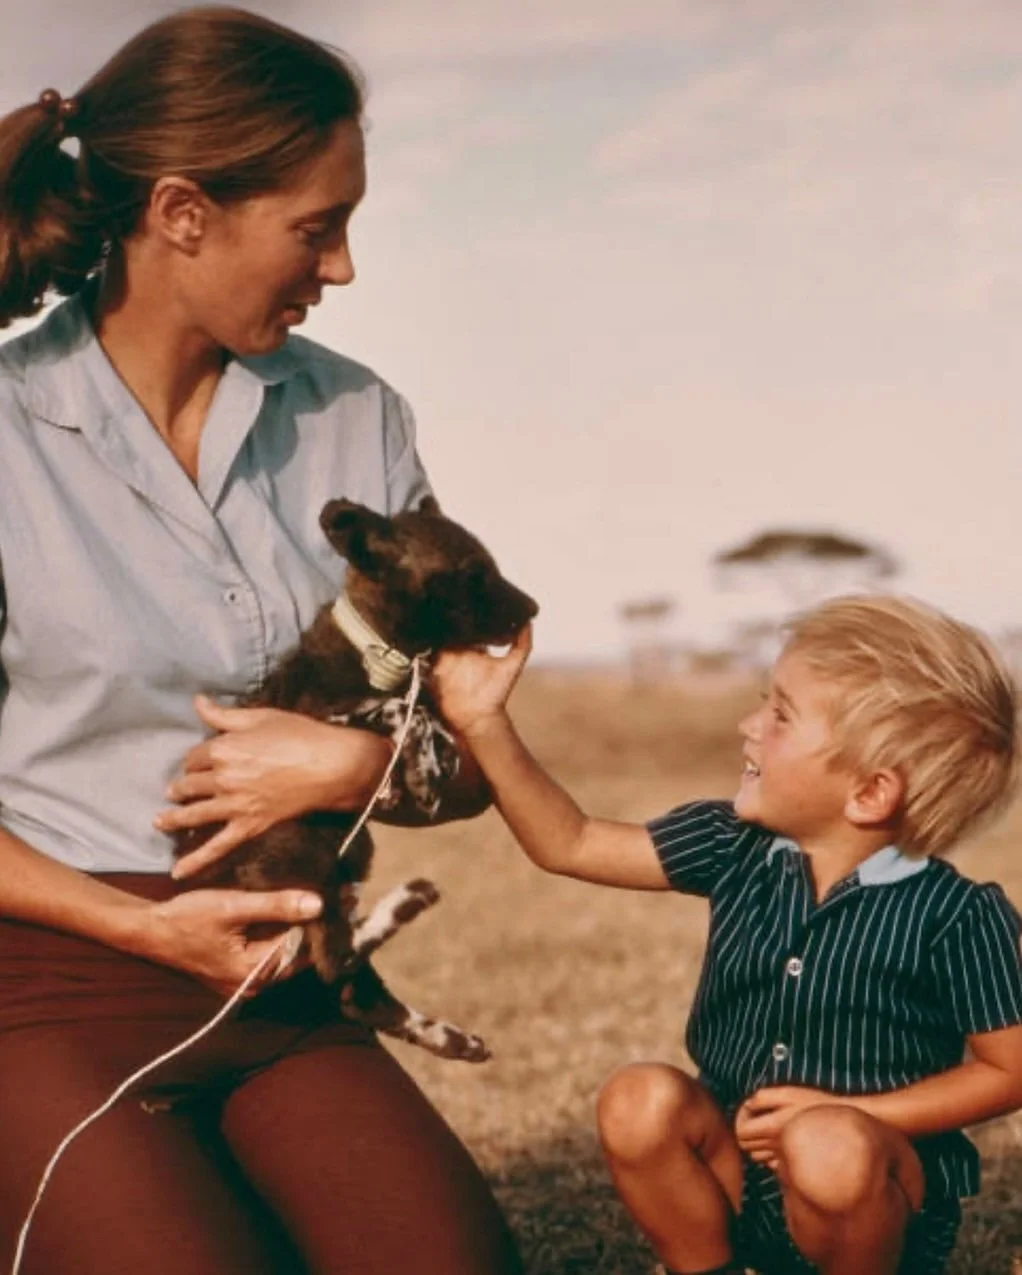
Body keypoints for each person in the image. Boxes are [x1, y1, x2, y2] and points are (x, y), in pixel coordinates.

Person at [0, 8, 522, 1273]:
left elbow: (460, 759)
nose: (338, 268)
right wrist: (143, 930)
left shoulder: (358, 419)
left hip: (291, 986)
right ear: (183, 212)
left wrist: (363, 775)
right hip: (45, 985)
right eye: (315, 226)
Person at [431, 594, 1022, 1275]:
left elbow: (1006, 1069)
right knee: (639, 1099)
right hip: (735, 1168)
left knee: (829, 1144)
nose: (747, 725)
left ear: (870, 792)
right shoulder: (731, 845)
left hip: (867, 1196)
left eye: (779, 715)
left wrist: (858, 1111)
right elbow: (573, 840)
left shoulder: (957, 914)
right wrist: (482, 719)